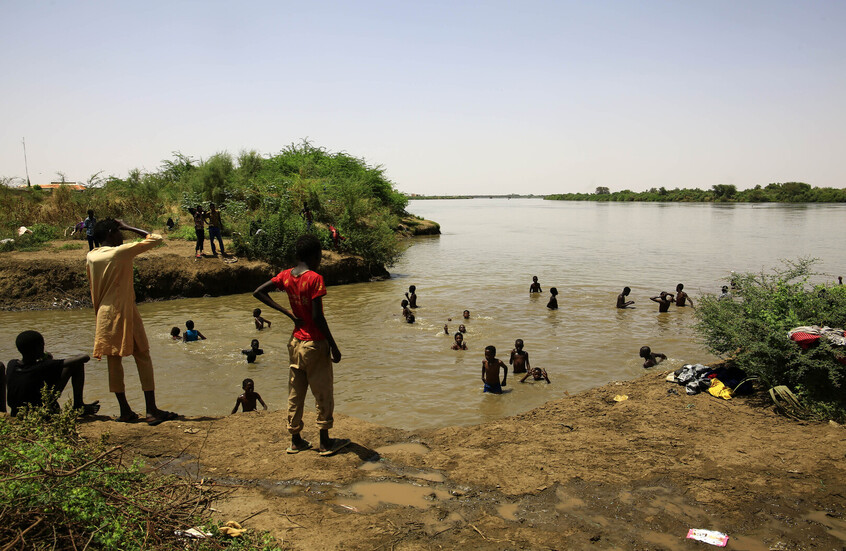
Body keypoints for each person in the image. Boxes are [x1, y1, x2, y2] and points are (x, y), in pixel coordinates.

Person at [253, 234, 349, 457]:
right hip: (314, 343)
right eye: (320, 255)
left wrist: (287, 312)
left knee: (296, 392)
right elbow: (317, 317)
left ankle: (295, 439)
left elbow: (258, 291)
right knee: (322, 391)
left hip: (295, 342)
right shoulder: (315, 278)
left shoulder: (286, 275)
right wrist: (333, 346)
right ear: (315, 255)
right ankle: (324, 442)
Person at [87, 218, 177, 425]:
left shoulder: (91, 255)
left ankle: (125, 410)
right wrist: (127, 226)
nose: (122, 236)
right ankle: (151, 410)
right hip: (124, 310)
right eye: (119, 232)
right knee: (143, 356)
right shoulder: (120, 252)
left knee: (114, 361)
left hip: (105, 313)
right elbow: (155, 238)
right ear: (111, 233)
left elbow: (94, 290)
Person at [5, 330, 100, 417]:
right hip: (40, 412)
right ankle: (78, 405)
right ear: (39, 347)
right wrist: (48, 359)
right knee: (76, 364)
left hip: (16, 412)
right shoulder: (44, 365)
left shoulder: (11, 364)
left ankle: (78, 405)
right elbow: (84, 357)